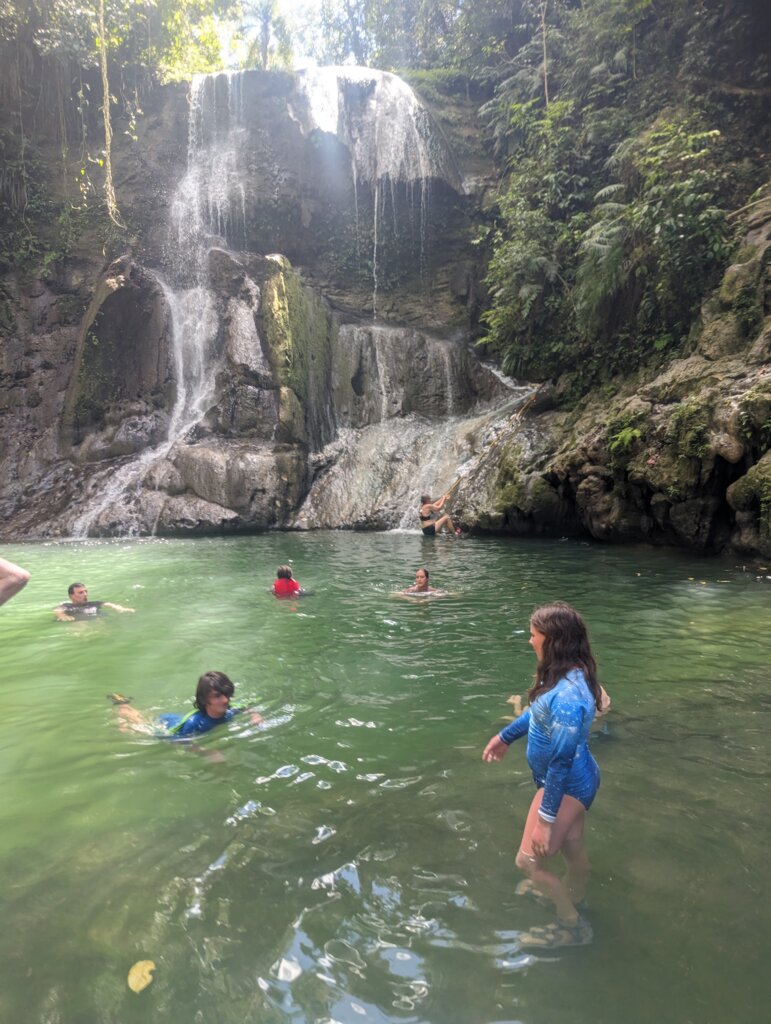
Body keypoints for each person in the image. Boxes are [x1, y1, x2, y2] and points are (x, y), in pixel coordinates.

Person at [482, 601, 608, 949]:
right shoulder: (569, 674)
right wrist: (505, 736)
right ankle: (576, 895)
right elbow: (538, 713)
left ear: (552, 641)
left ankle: (571, 925)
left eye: (533, 635)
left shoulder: (568, 695)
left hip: (566, 784)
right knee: (571, 846)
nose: (529, 641)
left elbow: (560, 761)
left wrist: (546, 818)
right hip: (580, 779)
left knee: (528, 862)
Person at [116, 670, 263, 739]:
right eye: (217, 696)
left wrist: (255, 715)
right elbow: (179, 741)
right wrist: (207, 752)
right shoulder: (194, 724)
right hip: (169, 724)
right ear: (205, 700)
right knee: (140, 722)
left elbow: (245, 707)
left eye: (227, 694)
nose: (225, 700)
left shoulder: (230, 709)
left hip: (179, 717)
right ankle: (121, 705)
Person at [54, 582, 134, 621]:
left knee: (99, 621)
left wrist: (121, 609)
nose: (85, 594)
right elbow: (58, 611)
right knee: (80, 624)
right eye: (81, 592)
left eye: (86, 591)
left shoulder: (93, 604)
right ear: (71, 596)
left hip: (95, 619)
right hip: (78, 620)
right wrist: (62, 616)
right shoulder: (67, 606)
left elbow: (108, 604)